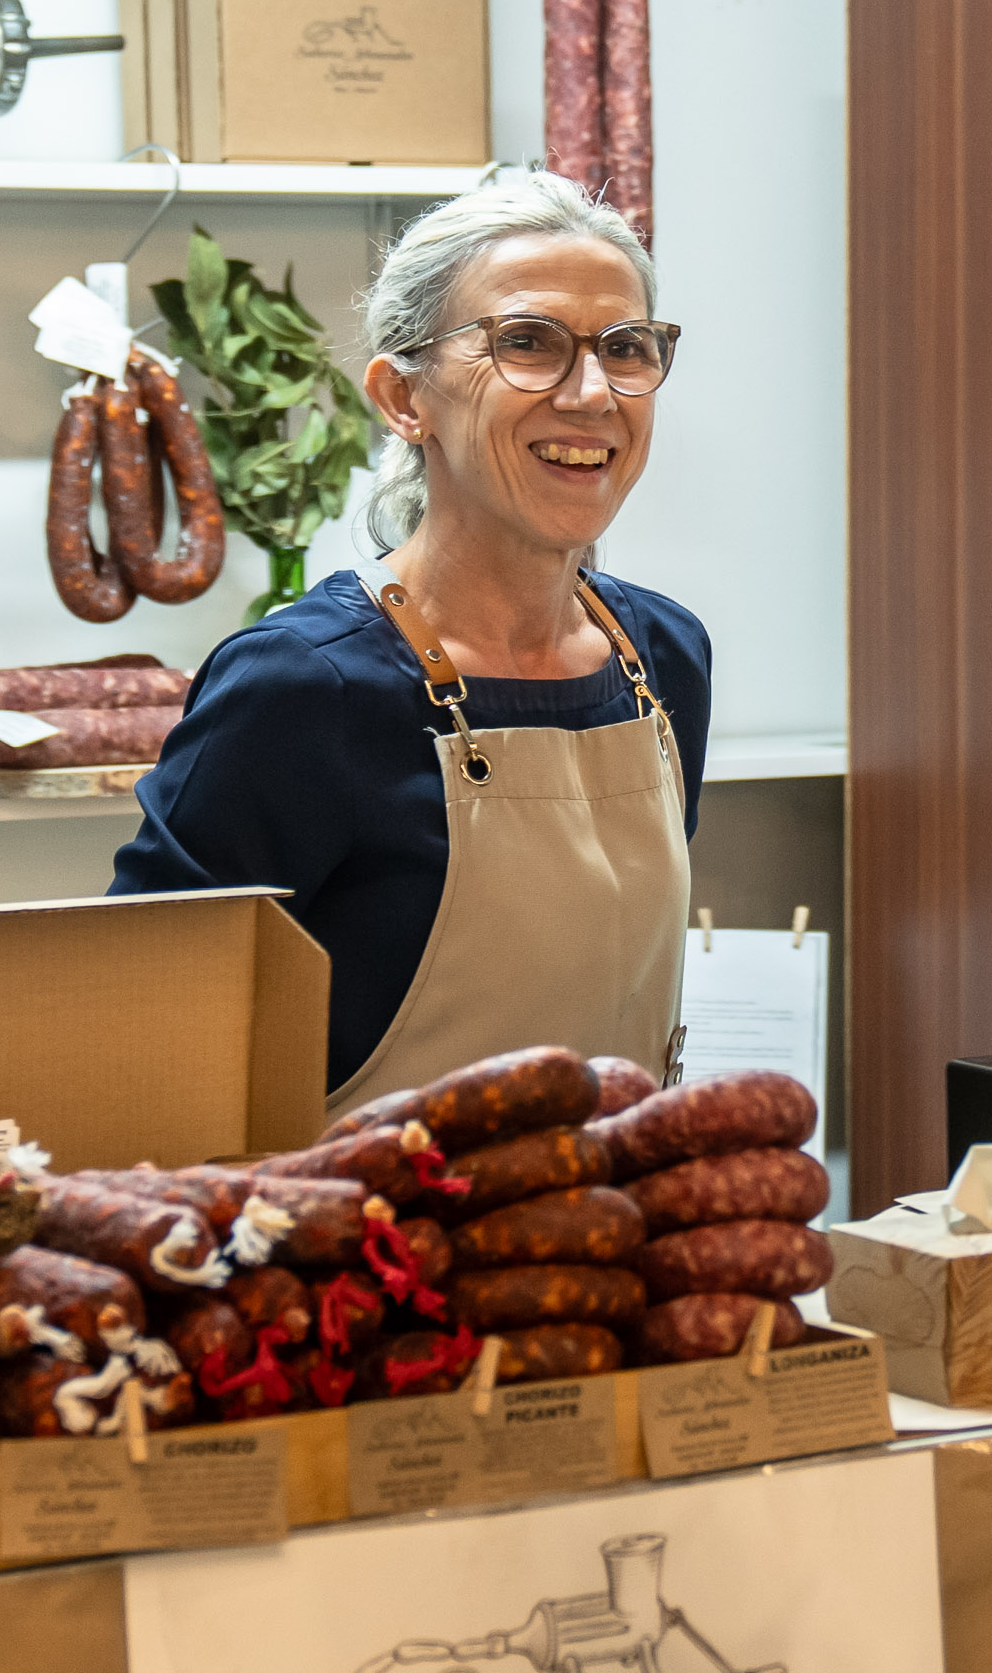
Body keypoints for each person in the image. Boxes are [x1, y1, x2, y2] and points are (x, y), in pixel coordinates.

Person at [111, 169, 708, 1111]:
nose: (593, 394)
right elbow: (140, 1033)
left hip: (614, 1238)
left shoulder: (665, 658)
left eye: (626, 348)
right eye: (527, 343)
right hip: (372, 1247)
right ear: (402, 398)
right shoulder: (303, 688)